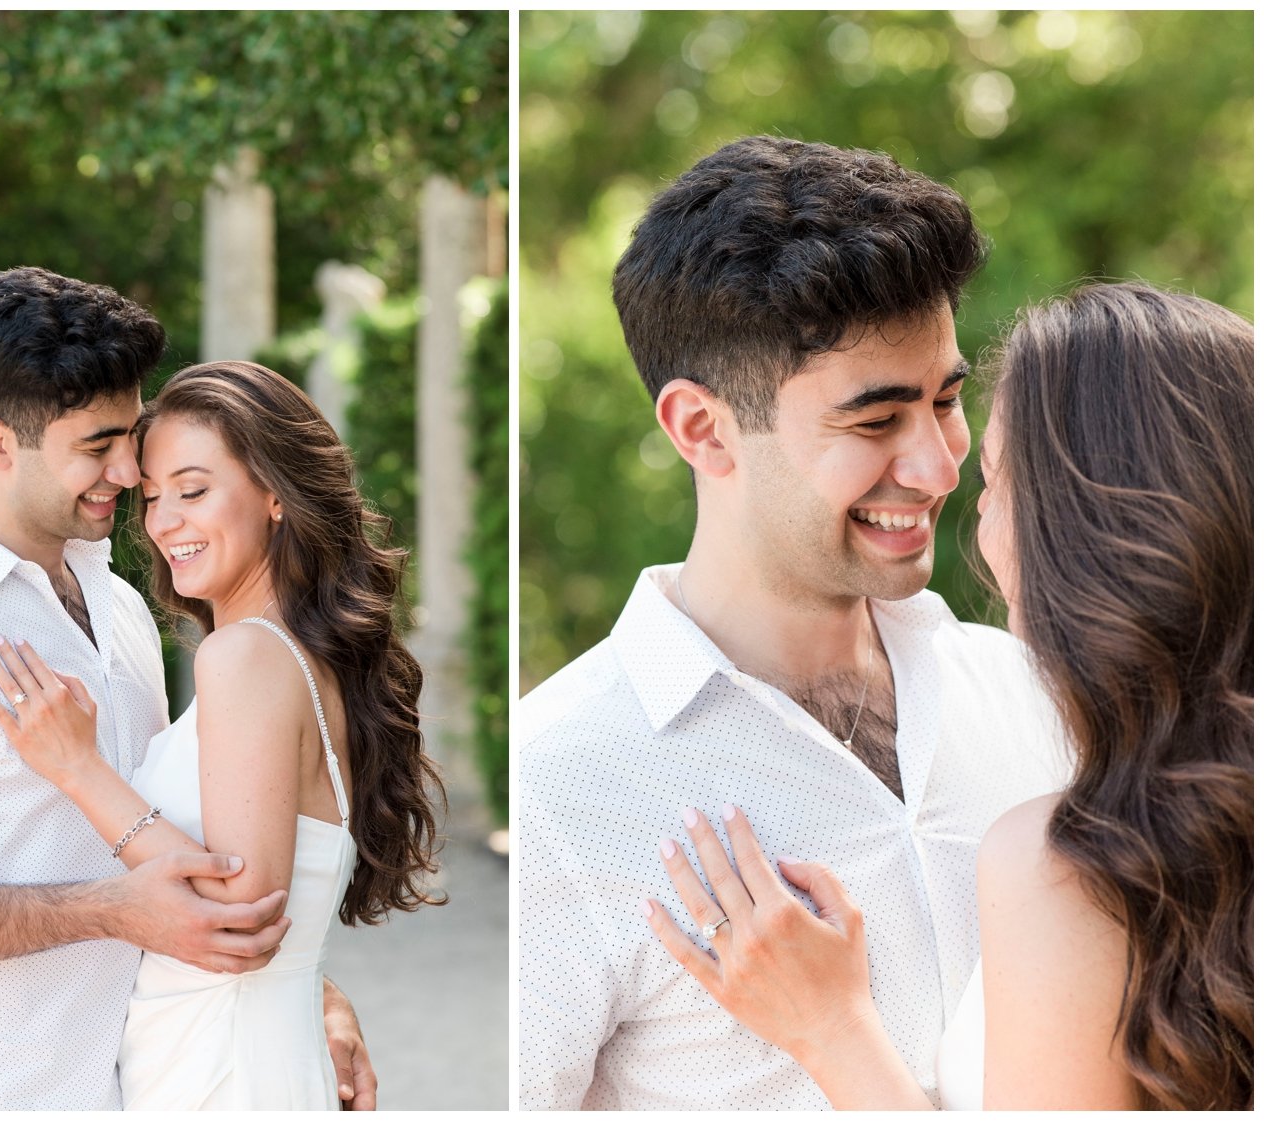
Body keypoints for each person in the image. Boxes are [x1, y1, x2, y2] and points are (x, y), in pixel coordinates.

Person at [518, 136, 1068, 1109]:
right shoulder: (562, 779)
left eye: (946, 400)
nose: (942, 465)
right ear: (701, 428)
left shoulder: (1032, 691)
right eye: (874, 421)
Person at [648, 281, 1253, 1110]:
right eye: (874, 419)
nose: (946, 478)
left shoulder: (1069, 868)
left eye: (998, 478)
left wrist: (833, 1031)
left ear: (1089, 527)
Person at [0, 267, 377, 1110]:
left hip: (151, 1085)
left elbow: (215, 842)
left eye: (131, 435)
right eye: (96, 446)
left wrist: (307, 992)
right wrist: (108, 910)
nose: (126, 468)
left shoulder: (121, 607)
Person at [0, 359, 445, 1109]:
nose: (164, 523)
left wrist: (77, 767)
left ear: (276, 495)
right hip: (241, 1056)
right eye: (154, 497)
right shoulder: (295, 657)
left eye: (193, 490)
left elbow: (242, 912)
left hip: (221, 1074)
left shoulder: (247, 655)